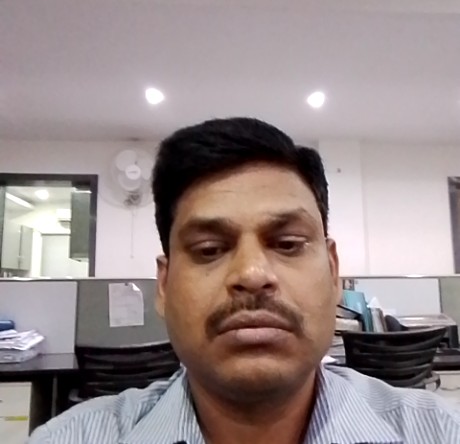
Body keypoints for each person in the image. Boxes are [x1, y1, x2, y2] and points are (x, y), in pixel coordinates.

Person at [29, 118, 460, 444]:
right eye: (209, 249)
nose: (253, 275)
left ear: (333, 273)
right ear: (163, 285)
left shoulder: (439, 432)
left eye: (288, 244)